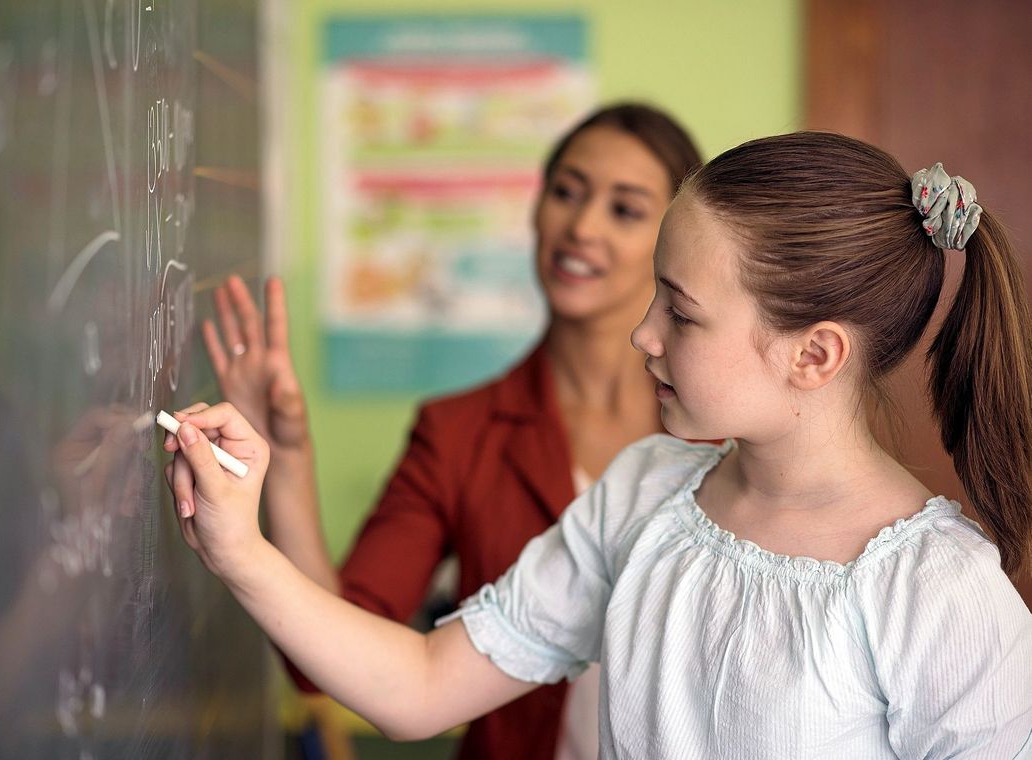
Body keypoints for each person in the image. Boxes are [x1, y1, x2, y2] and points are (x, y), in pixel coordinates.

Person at [165, 131, 1032, 758]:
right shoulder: (646, 492)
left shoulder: (939, 591)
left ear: (814, 355)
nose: (643, 335)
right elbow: (421, 686)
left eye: (681, 313)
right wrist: (240, 549)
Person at [200, 102, 703, 758]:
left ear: (674, 241)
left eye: (625, 210)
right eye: (566, 193)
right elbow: (328, 655)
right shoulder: (460, 431)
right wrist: (286, 460)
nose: (582, 227)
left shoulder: (722, 435)